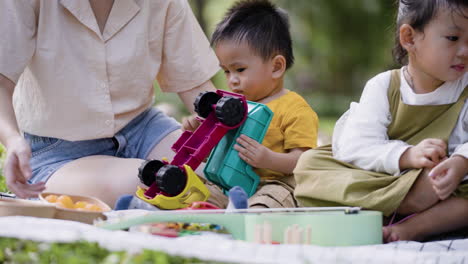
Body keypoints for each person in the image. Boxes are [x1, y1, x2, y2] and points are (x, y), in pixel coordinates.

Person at [0, 0, 220, 207]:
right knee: (161, 184)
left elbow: (196, 86)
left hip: (144, 128)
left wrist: (231, 135)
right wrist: (12, 140)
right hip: (59, 151)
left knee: (215, 171)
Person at [294, 0, 468, 242]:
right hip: (385, 178)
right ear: (409, 38)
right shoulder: (385, 86)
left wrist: (461, 161)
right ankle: (407, 204)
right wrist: (406, 155)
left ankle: (408, 227)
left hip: (443, 183)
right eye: (453, 38)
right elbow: (358, 145)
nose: (465, 51)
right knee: (310, 163)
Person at [183, 0, 319, 208]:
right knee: (193, 197)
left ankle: (243, 215)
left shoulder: (295, 108)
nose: (232, 80)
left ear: (276, 67)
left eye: (240, 70)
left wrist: (268, 159)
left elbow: (303, 161)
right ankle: (158, 209)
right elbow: (216, 155)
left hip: (273, 185)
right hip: (228, 184)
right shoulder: (232, 108)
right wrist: (199, 137)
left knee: (263, 207)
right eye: (226, 71)